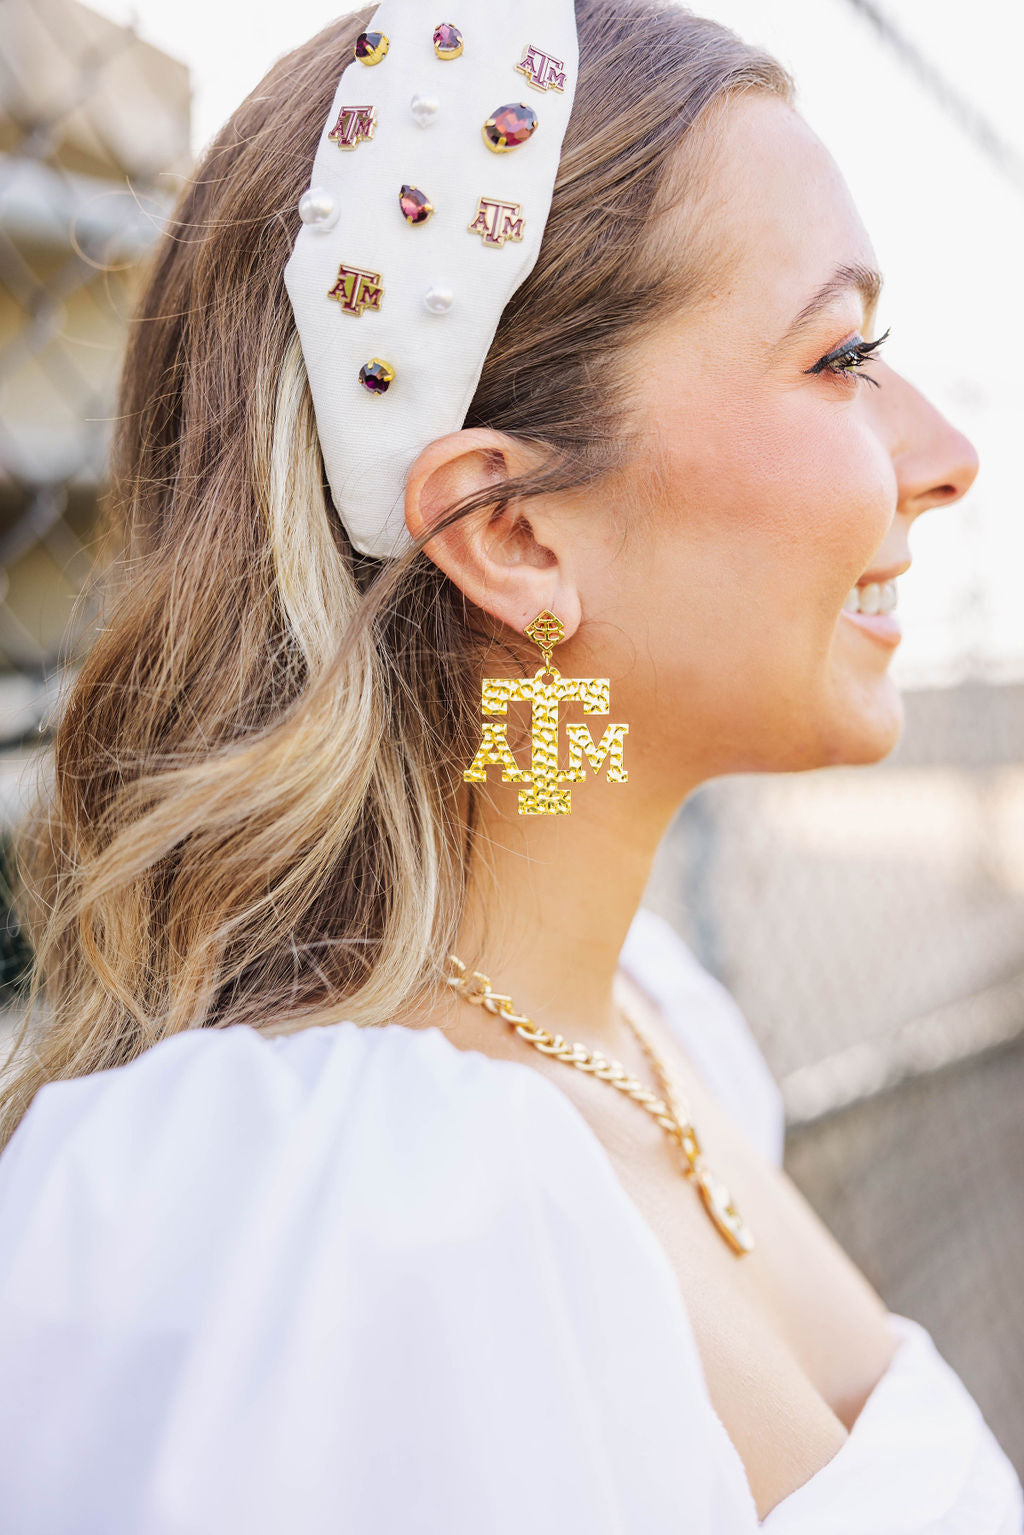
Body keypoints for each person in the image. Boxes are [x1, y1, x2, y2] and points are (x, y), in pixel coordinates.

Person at [0, 0, 1019, 1529]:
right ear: (512, 535)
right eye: (842, 354)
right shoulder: (343, 1230)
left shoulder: (657, 1026)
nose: (945, 453)